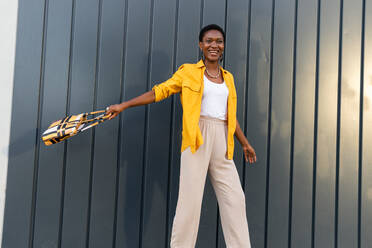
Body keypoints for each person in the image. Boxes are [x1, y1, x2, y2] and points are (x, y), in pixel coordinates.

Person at [106, 24, 257, 248]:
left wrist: (244, 143)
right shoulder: (188, 72)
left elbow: (230, 115)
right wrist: (124, 105)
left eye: (219, 41)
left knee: (235, 199)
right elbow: (159, 91)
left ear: (223, 46)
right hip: (196, 138)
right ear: (201, 45)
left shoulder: (229, 79)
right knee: (190, 203)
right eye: (209, 41)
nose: (214, 45)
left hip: (222, 140)